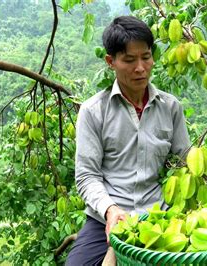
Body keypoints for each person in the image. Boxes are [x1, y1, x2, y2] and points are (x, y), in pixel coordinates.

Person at [66, 16, 191, 265]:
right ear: (111, 62)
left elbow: (186, 161)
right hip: (107, 217)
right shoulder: (93, 111)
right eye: (129, 60)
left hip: (159, 216)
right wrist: (111, 210)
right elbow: (87, 176)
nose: (140, 68)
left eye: (145, 57)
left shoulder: (170, 107)